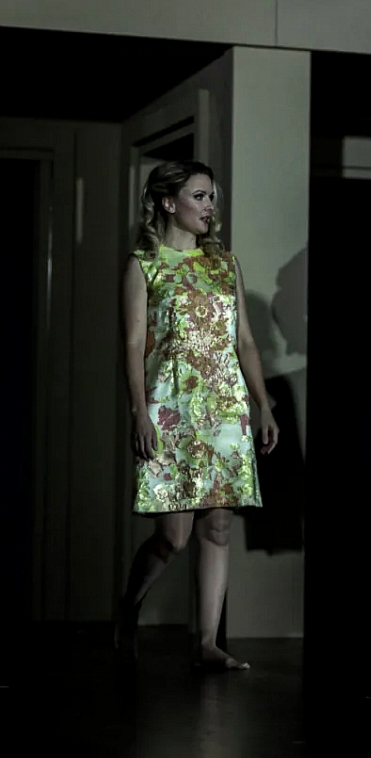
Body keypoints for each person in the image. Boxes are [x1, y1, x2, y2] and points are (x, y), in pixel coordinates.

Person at [115, 160, 280, 671]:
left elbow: (245, 341)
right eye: (200, 196)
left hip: (225, 409)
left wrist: (263, 404)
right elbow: (133, 344)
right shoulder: (145, 265)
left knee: (219, 529)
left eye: (212, 197)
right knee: (174, 536)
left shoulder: (225, 265)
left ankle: (207, 643)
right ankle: (129, 609)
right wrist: (139, 412)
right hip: (170, 409)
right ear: (169, 202)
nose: (210, 207)